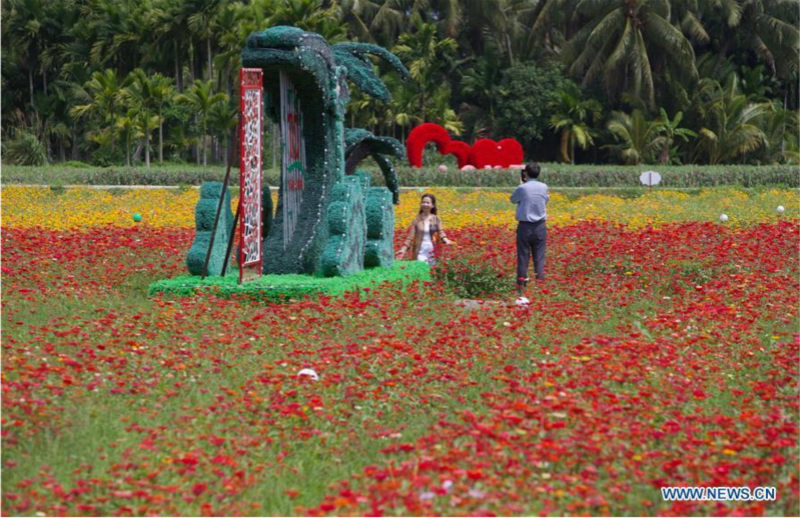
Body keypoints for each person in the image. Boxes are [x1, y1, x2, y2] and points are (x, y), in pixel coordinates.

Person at [510, 162, 549, 305]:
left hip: (525, 226)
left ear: (525, 173)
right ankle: (540, 287)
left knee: (523, 257)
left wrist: (521, 184)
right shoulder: (544, 187)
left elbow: (513, 199)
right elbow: (545, 200)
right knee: (539, 258)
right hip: (540, 226)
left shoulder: (522, 188)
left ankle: (521, 289)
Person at [397, 193, 452, 264]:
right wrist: (403, 249)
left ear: (432, 205)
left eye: (427, 203)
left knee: (432, 269)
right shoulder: (416, 220)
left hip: (433, 251)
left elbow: (441, 232)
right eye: (423, 202)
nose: (425, 204)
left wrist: (446, 240)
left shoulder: (436, 219)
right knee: (422, 266)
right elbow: (410, 237)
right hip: (420, 251)